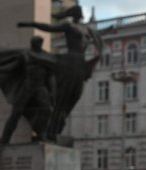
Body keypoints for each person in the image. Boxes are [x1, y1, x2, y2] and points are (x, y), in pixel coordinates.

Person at [18, 5, 104, 139]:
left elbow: (99, 36)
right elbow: (49, 28)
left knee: (75, 96)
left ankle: (56, 126)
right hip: (69, 62)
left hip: (81, 65)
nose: (79, 14)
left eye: (79, 12)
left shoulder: (88, 30)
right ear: (75, 14)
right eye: (77, 12)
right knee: (61, 98)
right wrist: (31, 24)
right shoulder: (69, 26)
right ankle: (48, 130)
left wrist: (110, 31)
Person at [0, 36, 56, 144]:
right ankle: (5, 138)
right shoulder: (25, 55)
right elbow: (12, 67)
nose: (37, 44)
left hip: (40, 87)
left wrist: (53, 91)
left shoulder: (45, 57)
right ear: (32, 44)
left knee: (47, 109)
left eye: (39, 42)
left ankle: (42, 134)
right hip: (27, 86)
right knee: (16, 112)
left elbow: (50, 76)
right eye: (36, 43)